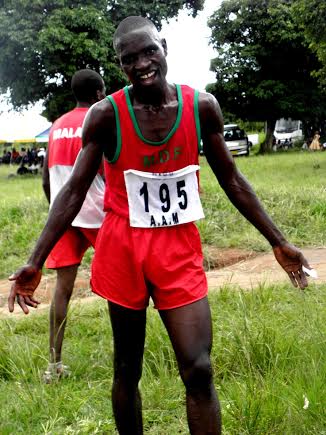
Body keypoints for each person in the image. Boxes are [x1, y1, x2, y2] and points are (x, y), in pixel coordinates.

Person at [8, 16, 312, 435]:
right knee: (127, 369)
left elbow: (232, 179)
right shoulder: (106, 115)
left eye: (149, 50)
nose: (142, 63)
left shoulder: (200, 106)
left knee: (199, 368)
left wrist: (278, 242)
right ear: (120, 66)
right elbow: (74, 190)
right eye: (128, 58)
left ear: (164, 46)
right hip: (123, 248)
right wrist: (35, 259)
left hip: (178, 245)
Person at [41, 69, 106, 382]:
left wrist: (56, 212)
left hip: (64, 216)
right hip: (98, 215)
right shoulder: (100, 119)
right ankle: (126, 355)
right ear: (97, 94)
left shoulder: (55, 126)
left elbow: (45, 176)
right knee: (122, 284)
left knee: (62, 291)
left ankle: (54, 366)